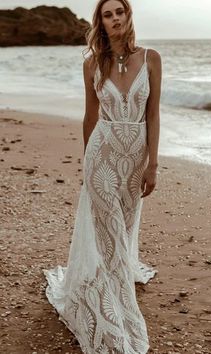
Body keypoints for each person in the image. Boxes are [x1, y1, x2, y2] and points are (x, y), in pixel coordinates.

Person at [43, 0, 162, 353]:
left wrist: (153, 163)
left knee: (123, 226)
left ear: (129, 16)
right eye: (108, 15)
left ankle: (114, 280)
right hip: (102, 154)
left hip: (135, 155)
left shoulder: (151, 58)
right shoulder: (92, 63)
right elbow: (89, 117)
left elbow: (153, 115)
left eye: (120, 12)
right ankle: (113, 304)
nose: (115, 19)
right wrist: (86, 161)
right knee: (105, 229)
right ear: (101, 22)